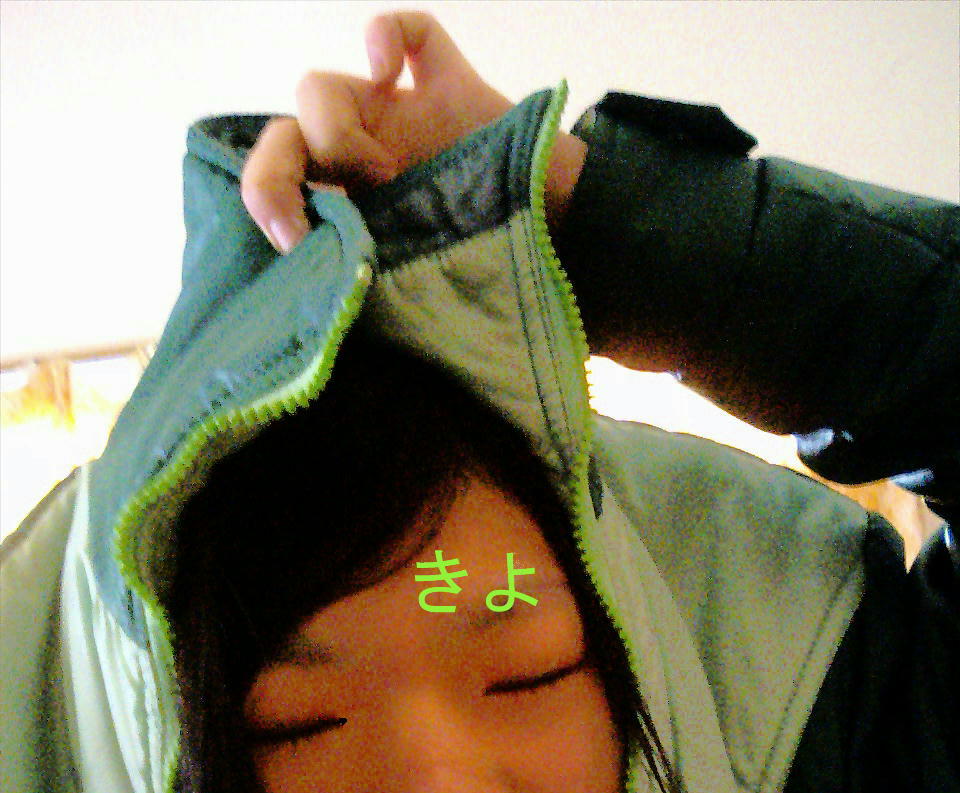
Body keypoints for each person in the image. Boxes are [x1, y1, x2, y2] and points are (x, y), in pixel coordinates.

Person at [1, 10, 957, 793]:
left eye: (526, 673)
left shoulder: (836, 747)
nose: (442, 778)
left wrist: (599, 216)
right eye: (297, 723)